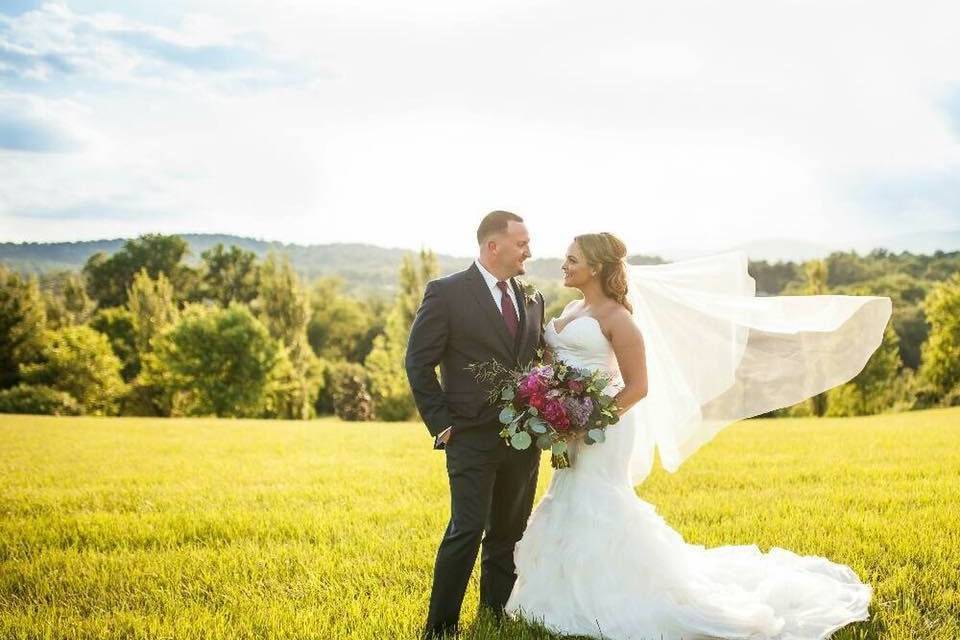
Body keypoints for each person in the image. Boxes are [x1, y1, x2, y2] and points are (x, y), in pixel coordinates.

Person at [503, 231, 891, 639]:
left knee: (595, 501)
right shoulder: (572, 307)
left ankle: (611, 596)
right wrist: (549, 405)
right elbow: (555, 364)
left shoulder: (619, 319)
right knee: (567, 497)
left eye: (572, 259)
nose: (564, 265)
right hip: (568, 426)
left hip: (603, 428)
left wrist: (586, 421)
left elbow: (637, 387)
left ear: (596, 267)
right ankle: (560, 594)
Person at [405, 210, 546, 639]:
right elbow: (418, 361)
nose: (529, 251)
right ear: (493, 246)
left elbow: (538, 361)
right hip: (468, 435)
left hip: (524, 438)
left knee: (508, 531)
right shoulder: (446, 293)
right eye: (522, 243)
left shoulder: (533, 297)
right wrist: (442, 425)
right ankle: (440, 627)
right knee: (466, 530)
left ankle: (494, 616)